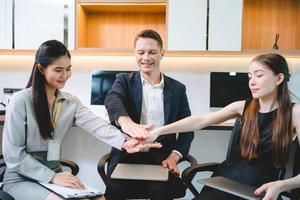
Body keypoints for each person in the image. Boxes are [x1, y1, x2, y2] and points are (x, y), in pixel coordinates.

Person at [2, 40, 161, 200]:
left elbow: (97, 126)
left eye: (68, 69)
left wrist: (126, 141)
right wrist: (52, 177)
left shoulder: (71, 102)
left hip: (55, 174)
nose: (65, 76)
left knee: (100, 199)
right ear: (41, 69)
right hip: (22, 178)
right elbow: (13, 155)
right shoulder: (20, 100)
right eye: (58, 70)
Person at [149, 53, 300, 200]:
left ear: (279, 78)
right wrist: (157, 132)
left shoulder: (295, 112)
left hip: (259, 190)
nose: (252, 82)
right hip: (225, 182)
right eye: (249, 76)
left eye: (259, 75)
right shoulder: (242, 107)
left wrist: (281, 186)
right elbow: (200, 121)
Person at [104, 29, 194, 200]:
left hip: (161, 157)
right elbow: (112, 99)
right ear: (134, 54)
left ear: (162, 53)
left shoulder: (177, 89)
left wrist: (174, 156)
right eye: (141, 52)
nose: (146, 58)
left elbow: (187, 129)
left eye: (152, 52)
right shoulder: (123, 80)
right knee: (115, 190)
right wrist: (126, 122)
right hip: (127, 155)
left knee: (161, 191)